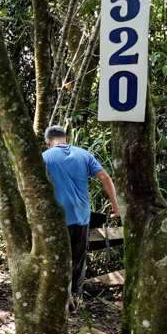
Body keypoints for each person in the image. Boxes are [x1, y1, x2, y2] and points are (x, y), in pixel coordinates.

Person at [41, 125, 120, 312]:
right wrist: (115, 206)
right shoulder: (84, 155)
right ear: (66, 139)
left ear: (47, 142)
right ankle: (76, 297)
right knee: (78, 258)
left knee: (58, 257)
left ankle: (61, 297)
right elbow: (105, 178)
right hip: (82, 215)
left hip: (59, 217)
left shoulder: (45, 157)